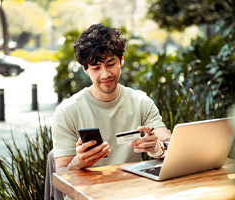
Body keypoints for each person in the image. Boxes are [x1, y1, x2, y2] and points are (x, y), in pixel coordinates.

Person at [52, 24, 171, 174]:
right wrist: (76, 164)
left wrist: (158, 149)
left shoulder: (140, 102)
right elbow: (61, 174)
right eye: (96, 68)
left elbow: (171, 146)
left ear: (121, 60)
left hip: (134, 191)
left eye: (111, 64)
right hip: (88, 194)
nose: (105, 74)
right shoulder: (67, 111)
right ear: (85, 69)